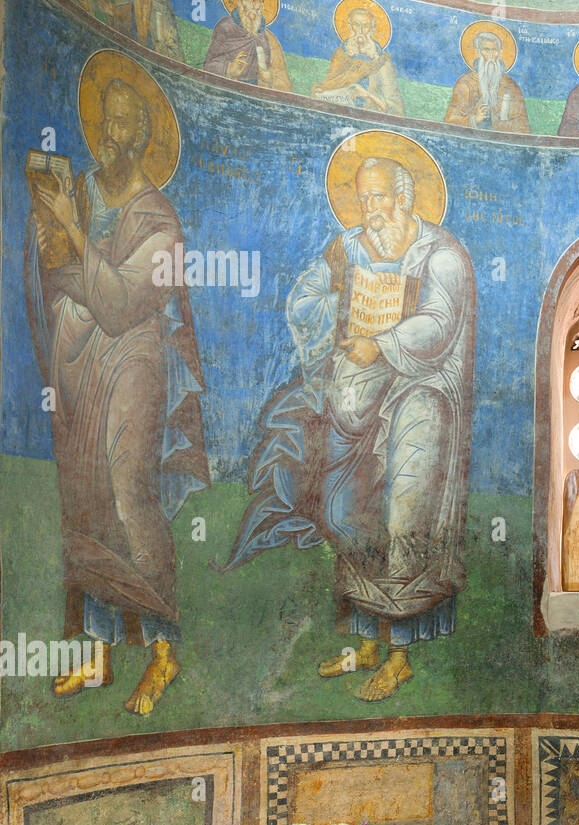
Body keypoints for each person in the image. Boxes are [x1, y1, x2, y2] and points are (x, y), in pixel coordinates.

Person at [221, 153, 476, 702]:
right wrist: (331, 307)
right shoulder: (350, 248)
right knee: (344, 508)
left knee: (401, 512)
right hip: (357, 390)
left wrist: (380, 344)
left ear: (404, 199)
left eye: (378, 198)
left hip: (420, 394)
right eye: (362, 199)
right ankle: (362, 640)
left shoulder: (443, 255)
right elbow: (306, 298)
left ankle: (400, 654)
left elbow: (438, 324)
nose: (369, 210)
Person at [25, 71, 208, 715]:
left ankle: (163, 649)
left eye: (125, 121)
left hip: (134, 364)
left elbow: (129, 301)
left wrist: (75, 237)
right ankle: (98, 652)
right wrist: (46, 226)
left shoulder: (159, 217)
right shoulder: (78, 193)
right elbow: (51, 277)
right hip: (80, 366)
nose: (110, 132)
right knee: (88, 499)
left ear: (145, 136)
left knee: (129, 493)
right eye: (104, 118)